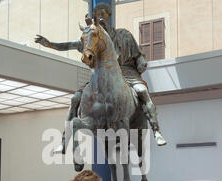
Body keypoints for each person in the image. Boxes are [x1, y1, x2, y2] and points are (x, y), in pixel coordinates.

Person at [35, 3, 167, 152]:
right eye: (98, 13)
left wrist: (141, 61)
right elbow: (69, 45)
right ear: (95, 17)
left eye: (104, 13)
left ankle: (156, 130)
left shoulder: (124, 35)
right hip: (101, 77)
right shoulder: (93, 37)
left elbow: (138, 54)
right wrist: (50, 44)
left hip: (127, 73)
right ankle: (65, 139)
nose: (101, 15)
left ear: (109, 16)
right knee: (75, 98)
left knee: (142, 91)